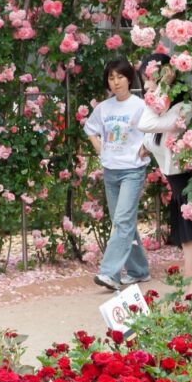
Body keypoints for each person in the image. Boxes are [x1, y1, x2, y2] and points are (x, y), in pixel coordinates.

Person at [137, 53, 192, 298]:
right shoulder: (166, 111)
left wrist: (163, 85)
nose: (145, 87)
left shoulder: (182, 109)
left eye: (149, 80)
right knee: (188, 249)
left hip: (187, 185)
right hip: (177, 187)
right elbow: (149, 134)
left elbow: (145, 123)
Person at [83, 58, 151, 292]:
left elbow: (155, 129)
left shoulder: (140, 106)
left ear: (129, 78)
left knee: (122, 221)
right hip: (111, 171)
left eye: (120, 77)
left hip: (132, 170)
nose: (116, 82)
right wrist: (99, 147)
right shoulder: (104, 108)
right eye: (111, 78)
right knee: (123, 223)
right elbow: (90, 128)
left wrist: (147, 146)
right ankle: (139, 270)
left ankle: (109, 273)